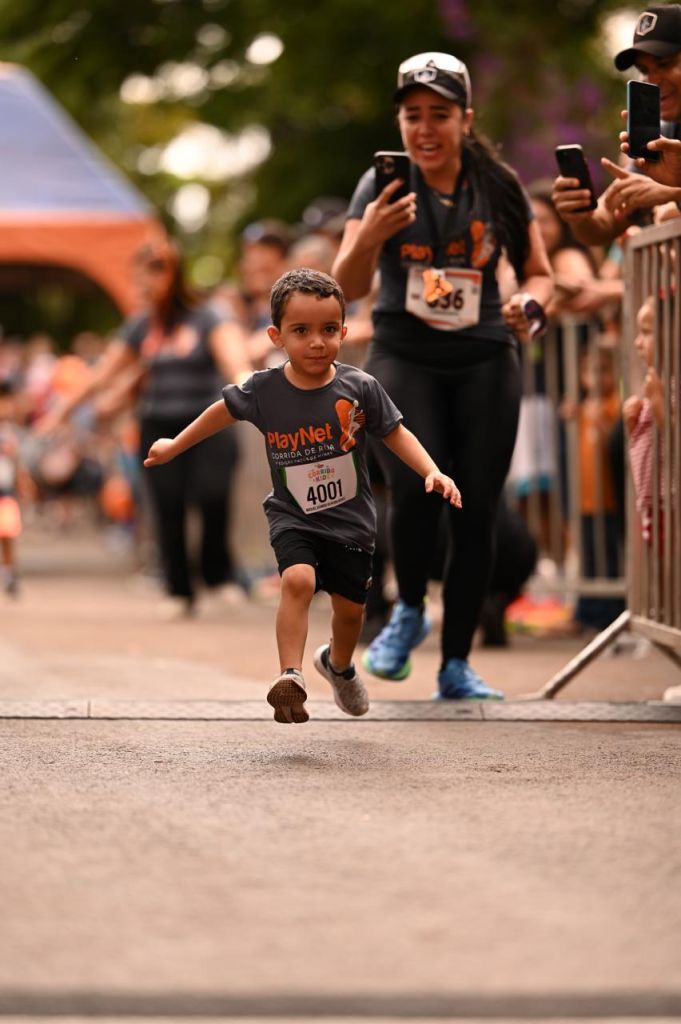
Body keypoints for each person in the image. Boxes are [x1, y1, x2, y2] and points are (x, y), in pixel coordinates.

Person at [144, 269, 462, 724]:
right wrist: (175, 444)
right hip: (293, 516)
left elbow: (395, 432)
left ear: (344, 331)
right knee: (298, 581)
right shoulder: (264, 389)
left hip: (351, 522)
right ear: (276, 336)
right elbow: (221, 412)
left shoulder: (360, 388)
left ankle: (339, 665)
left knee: (350, 612)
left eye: (328, 330)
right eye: (302, 331)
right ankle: (289, 675)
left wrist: (432, 471)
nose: (317, 342)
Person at [332, 52, 552, 699]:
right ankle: (406, 611)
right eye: (411, 117)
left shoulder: (499, 185)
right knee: (415, 487)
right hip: (405, 354)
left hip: (485, 354)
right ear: (398, 122)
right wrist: (370, 235)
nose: (424, 131)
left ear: (465, 119)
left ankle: (456, 662)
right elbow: (343, 286)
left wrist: (530, 306)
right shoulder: (380, 187)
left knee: (477, 506)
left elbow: (538, 272)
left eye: (439, 116)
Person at [39, 239, 250, 617]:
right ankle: (179, 589)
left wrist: (247, 384)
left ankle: (218, 576)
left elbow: (233, 357)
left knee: (212, 496)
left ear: (174, 274)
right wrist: (61, 412)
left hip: (208, 421)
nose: (147, 283)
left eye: (156, 272)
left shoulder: (208, 316)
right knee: (167, 507)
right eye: (141, 276)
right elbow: (103, 374)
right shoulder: (141, 326)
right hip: (157, 422)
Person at [553, 4, 681, 244]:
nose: (652, 80)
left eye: (664, 64)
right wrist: (579, 211)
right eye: (644, 70)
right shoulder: (660, 138)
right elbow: (602, 225)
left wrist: (674, 191)